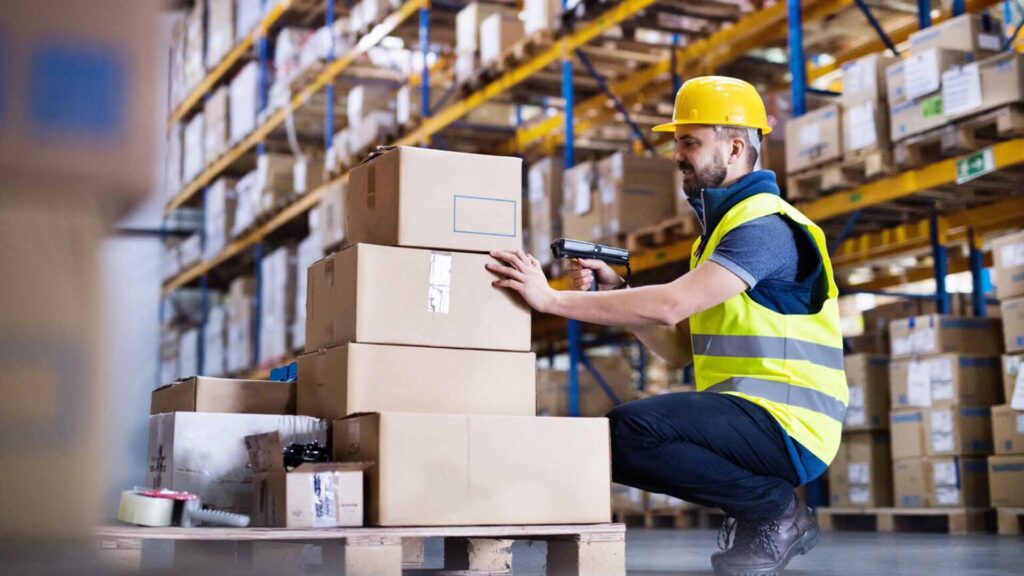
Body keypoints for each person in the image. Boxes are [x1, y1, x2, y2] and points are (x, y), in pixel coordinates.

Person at [486, 76, 847, 576]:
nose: (677, 155)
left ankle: (774, 511)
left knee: (628, 431)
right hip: (752, 418)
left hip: (788, 424)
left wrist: (550, 299)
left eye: (689, 142)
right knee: (624, 435)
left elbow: (669, 305)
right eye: (677, 142)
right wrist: (613, 292)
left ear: (736, 146)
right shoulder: (717, 238)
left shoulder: (765, 228)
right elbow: (677, 350)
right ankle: (768, 509)